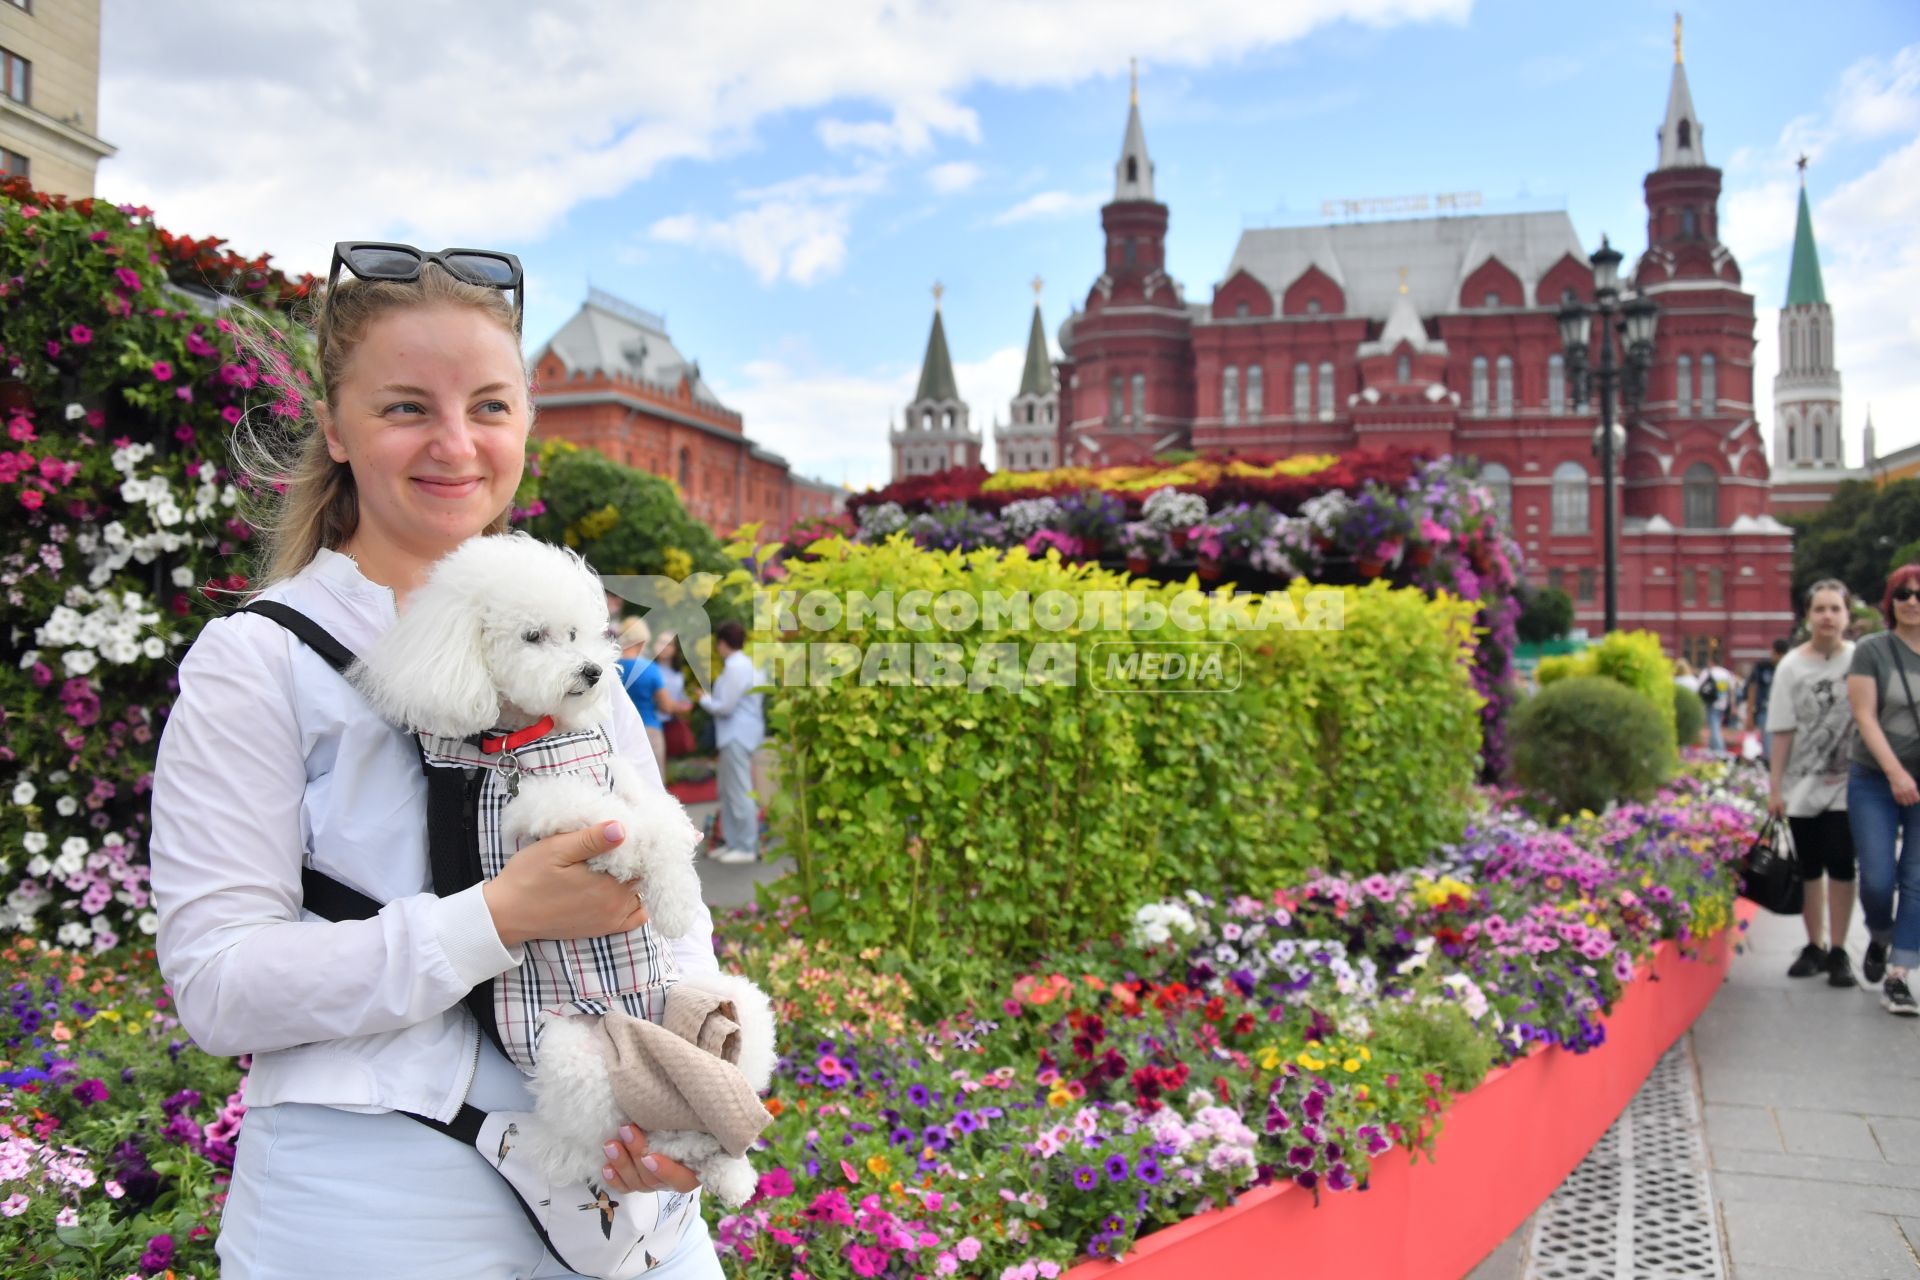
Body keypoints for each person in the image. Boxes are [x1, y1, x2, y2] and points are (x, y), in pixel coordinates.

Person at [149, 249, 728, 1276]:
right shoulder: (262, 658)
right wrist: (497, 917)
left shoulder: (567, 632)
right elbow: (219, 983)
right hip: (377, 1205)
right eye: (407, 406)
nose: (456, 443)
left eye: (490, 405)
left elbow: (676, 917)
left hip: (632, 1205)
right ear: (336, 426)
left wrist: (682, 1090)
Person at [1768, 581, 1858, 986]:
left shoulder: (1860, 660)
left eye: (1835, 609)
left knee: (1842, 864)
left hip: (1847, 784)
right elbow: (1782, 731)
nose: (1827, 616)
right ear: (1807, 616)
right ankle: (1814, 945)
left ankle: (1840, 950)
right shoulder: (1791, 666)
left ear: (1847, 616)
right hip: (1802, 785)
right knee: (1809, 868)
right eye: (1820, 609)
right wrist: (1775, 790)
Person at [1847, 563, 1920, 1016]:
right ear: (1891, 602)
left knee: (1916, 882)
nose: (1913, 600)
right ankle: (1880, 933)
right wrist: (1896, 773)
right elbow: (1865, 717)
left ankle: (1899, 975)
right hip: (1875, 777)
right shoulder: (1873, 650)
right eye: (1904, 593)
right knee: (1877, 879)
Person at [699, 620, 765, 865]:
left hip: (735, 734)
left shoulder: (736, 667)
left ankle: (746, 845)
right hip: (741, 734)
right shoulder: (748, 665)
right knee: (731, 790)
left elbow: (725, 707)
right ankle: (735, 842)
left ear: (723, 643)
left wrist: (704, 701)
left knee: (738, 790)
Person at [617, 618, 692, 784]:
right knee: (654, 784)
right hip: (649, 729)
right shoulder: (650, 669)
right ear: (642, 640)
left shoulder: (611, 667)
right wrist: (679, 706)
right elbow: (666, 706)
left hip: (619, 731)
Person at [1747, 637, 1791, 761]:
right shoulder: (1762, 667)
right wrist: (1750, 713)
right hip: (1765, 710)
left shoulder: (1790, 668)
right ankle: (1769, 764)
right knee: (1768, 742)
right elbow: (1753, 688)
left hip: (1784, 711)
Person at [655, 632, 697, 760]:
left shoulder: (678, 673)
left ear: (675, 649)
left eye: (669, 645)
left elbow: (681, 697)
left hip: (671, 723)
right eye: (661, 643)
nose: (665, 648)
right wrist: (675, 706)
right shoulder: (650, 669)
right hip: (654, 723)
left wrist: (688, 703)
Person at [1698, 654, 1737, 753]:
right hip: (1723, 703)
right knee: (1716, 725)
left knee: (1714, 726)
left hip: (1711, 702)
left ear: (1711, 661)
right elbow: (1732, 690)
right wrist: (1732, 705)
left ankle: (1720, 750)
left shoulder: (1707, 672)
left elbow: (1699, 688)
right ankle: (1713, 749)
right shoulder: (1726, 673)